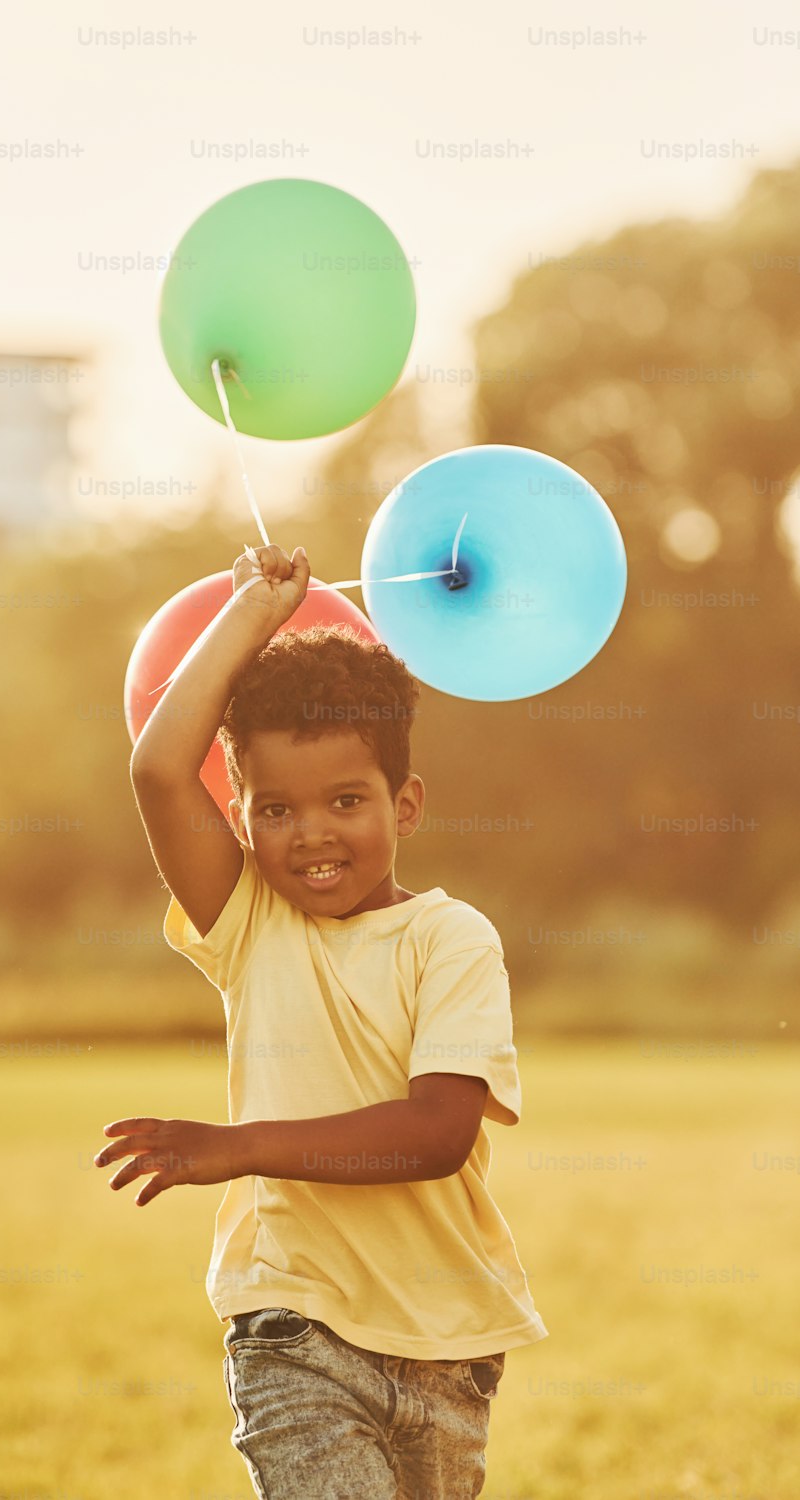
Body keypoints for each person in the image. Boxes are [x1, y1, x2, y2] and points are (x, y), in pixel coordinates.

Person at [96, 542, 548, 1499]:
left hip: (445, 1346)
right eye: (275, 809)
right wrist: (254, 614)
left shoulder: (452, 939)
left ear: (406, 803)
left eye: (347, 801)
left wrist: (240, 1146)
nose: (311, 834)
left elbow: (435, 1134)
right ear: (244, 817)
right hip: (291, 1331)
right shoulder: (249, 922)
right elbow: (159, 772)